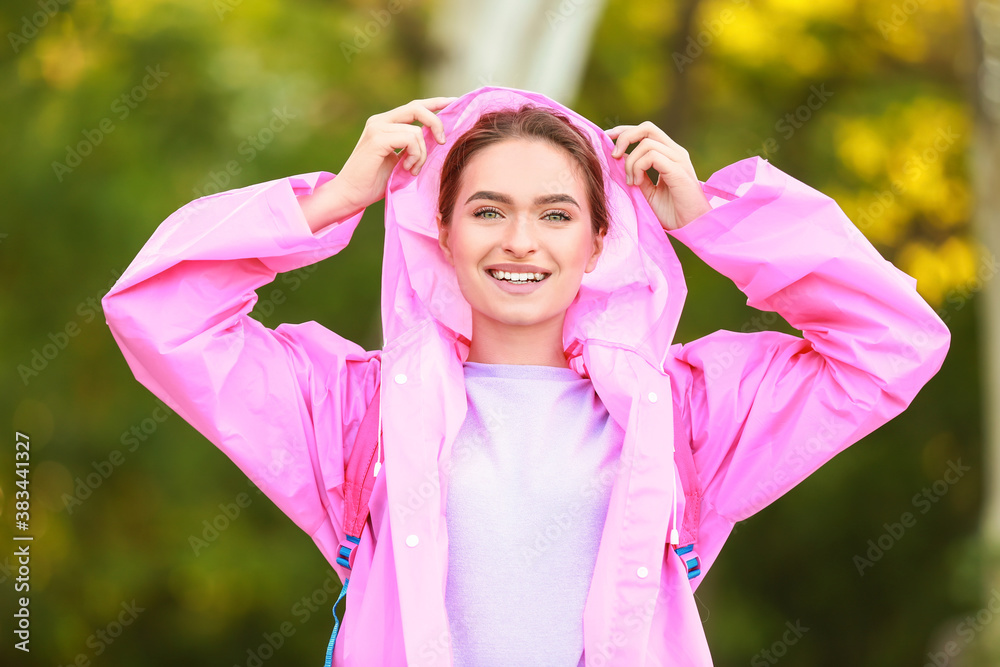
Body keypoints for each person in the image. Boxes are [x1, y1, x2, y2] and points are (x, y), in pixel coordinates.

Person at [102, 85, 950, 666]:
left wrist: (709, 219)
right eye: (487, 210)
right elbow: (158, 312)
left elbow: (893, 340)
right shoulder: (353, 411)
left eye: (556, 213)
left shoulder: (685, 413)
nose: (521, 240)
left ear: (599, 239)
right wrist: (333, 200)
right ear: (442, 232)